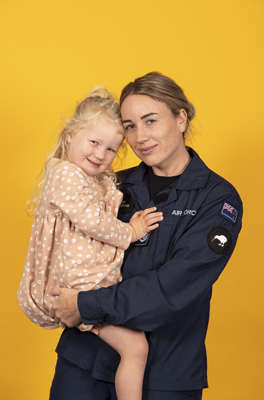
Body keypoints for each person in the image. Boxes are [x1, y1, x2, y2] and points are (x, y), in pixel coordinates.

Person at [48, 72, 243, 400]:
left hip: (164, 372)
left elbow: (171, 288)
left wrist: (84, 303)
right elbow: (62, 242)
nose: (140, 137)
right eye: (130, 126)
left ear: (181, 118)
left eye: (150, 121)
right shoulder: (109, 184)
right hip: (83, 363)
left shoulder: (217, 199)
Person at [17, 86, 164, 400]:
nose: (101, 154)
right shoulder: (67, 175)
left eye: (111, 149)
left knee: (135, 348)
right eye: (94, 142)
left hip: (86, 286)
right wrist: (131, 232)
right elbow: (91, 221)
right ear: (70, 135)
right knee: (136, 349)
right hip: (81, 286)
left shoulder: (91, 179)